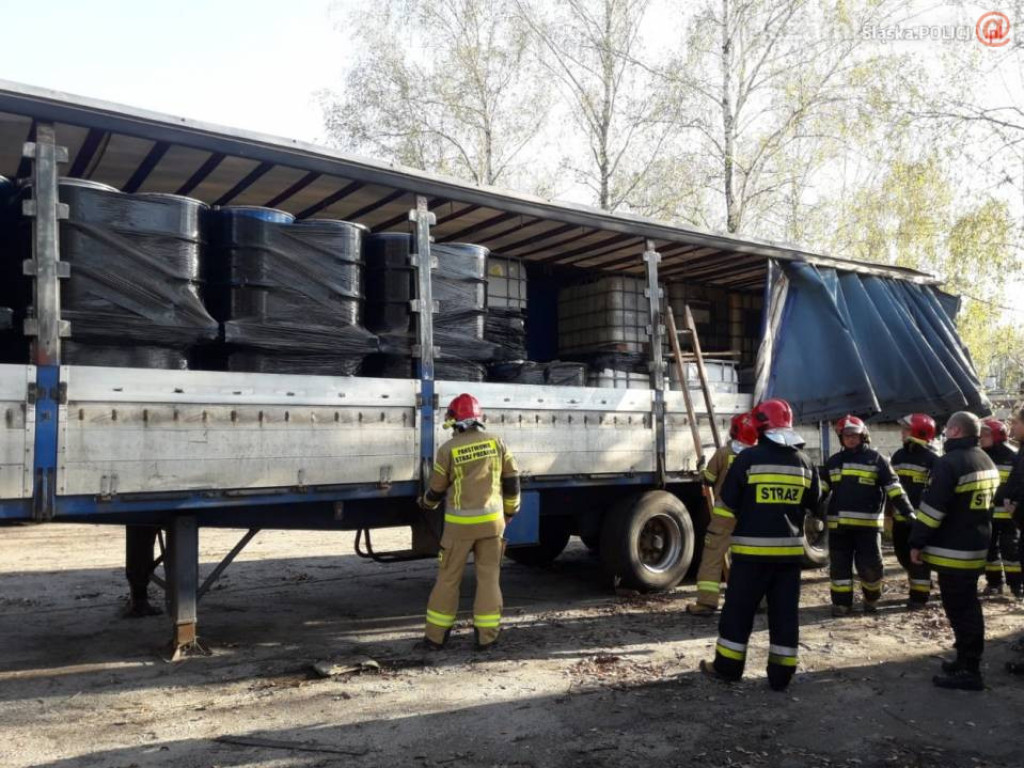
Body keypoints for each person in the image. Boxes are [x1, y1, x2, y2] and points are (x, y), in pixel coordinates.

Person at [701, 398, 822, 692]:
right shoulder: (805, 463)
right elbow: (815, 503)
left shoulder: (748, 459)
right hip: (789, 559)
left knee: (738, 613)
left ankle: (727, 668)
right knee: (784, 615)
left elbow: (727, 506)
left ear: (760, 426)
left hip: (750, 557)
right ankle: (781, 676)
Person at [419, 394, 520, 651]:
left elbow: (437, 489)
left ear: (454, 419)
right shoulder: (497, 442)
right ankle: (487, 638)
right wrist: (510, 512)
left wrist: (426, 504)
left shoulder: (448, 450)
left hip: (459, 528)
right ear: (478, 418)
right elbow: (512, 481)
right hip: (493, 526)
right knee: (489, 579)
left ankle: (435, 638)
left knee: (448, 579)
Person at [909, 411, 999, 690]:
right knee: (966, 606)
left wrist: (916, 541)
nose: (944, 433)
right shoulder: (985, 460)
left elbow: (933, 510)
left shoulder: (950, 463)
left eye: (948, 429)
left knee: (962, 609)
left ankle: (970, 670)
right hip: (975, 545)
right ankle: (963, 660)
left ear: (956, 431)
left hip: (954, 551)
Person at [823, 415, 914, 616]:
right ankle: (841, 604)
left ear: (863, 436)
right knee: (839, 569)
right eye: (846, 435)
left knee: (870, 568)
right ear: (841, 437)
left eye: (855, 435)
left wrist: (907, 511)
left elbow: (894, 489)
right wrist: (808, 507)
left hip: (868, 528)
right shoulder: (833, 462)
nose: (851, 439)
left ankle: (871, 599)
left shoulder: (877, 460)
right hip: (839, 529)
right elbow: (820, 490)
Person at [686, 411, 760, 616]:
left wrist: (701, 468)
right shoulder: (759, 456)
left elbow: (708, 479)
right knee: (752, 561)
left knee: (713, 558)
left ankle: (706, 603)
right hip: (750, 518)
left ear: (734, 431)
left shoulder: (724, 453)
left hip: (724, 517)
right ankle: (758, 602)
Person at [889, 414, 939, 608]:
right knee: (903, 555)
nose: (902, 433)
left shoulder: (933, 459)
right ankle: (923, 583)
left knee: (918, 558)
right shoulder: (898, 456)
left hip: (922, 521)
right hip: (901, 519)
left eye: (906, 430)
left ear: (919, 432)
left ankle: (919, 596)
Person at [980, 418, 1021, 598]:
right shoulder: (980, 456)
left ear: (997, 435)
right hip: (987, 513)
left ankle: (1016, 585)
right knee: (989, 549)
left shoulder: (1014, 456)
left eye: (986, 434)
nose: (981, 437)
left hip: (1009, 514)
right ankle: (994, 583)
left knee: (1010, 549)